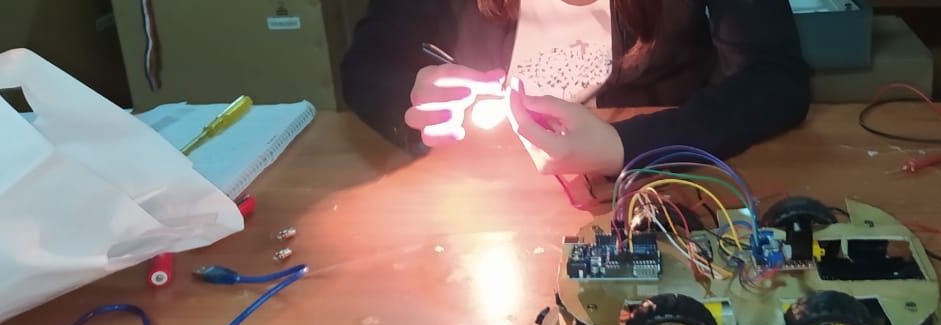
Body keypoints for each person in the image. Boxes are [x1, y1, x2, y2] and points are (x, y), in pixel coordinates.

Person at [341, 0, 811, 177]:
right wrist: (411, 102)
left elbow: (775, 76)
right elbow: (368, 64)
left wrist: (627, 147)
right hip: (481, 203)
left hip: (656, 195)